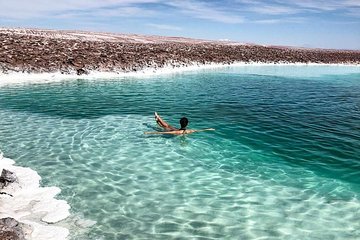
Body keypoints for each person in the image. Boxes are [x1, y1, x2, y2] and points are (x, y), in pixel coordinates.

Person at [144, 112, 215, 135]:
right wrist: (209, 129)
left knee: (166, 126)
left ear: (180, 123)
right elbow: (199, 130)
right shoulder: (189, 131)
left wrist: (150, 132)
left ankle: (158, 118)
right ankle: (157, 118)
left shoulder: (177, 132)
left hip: (174, 130)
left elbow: (162, 133)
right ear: (187, 124)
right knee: (166, 126)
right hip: (177, 130)